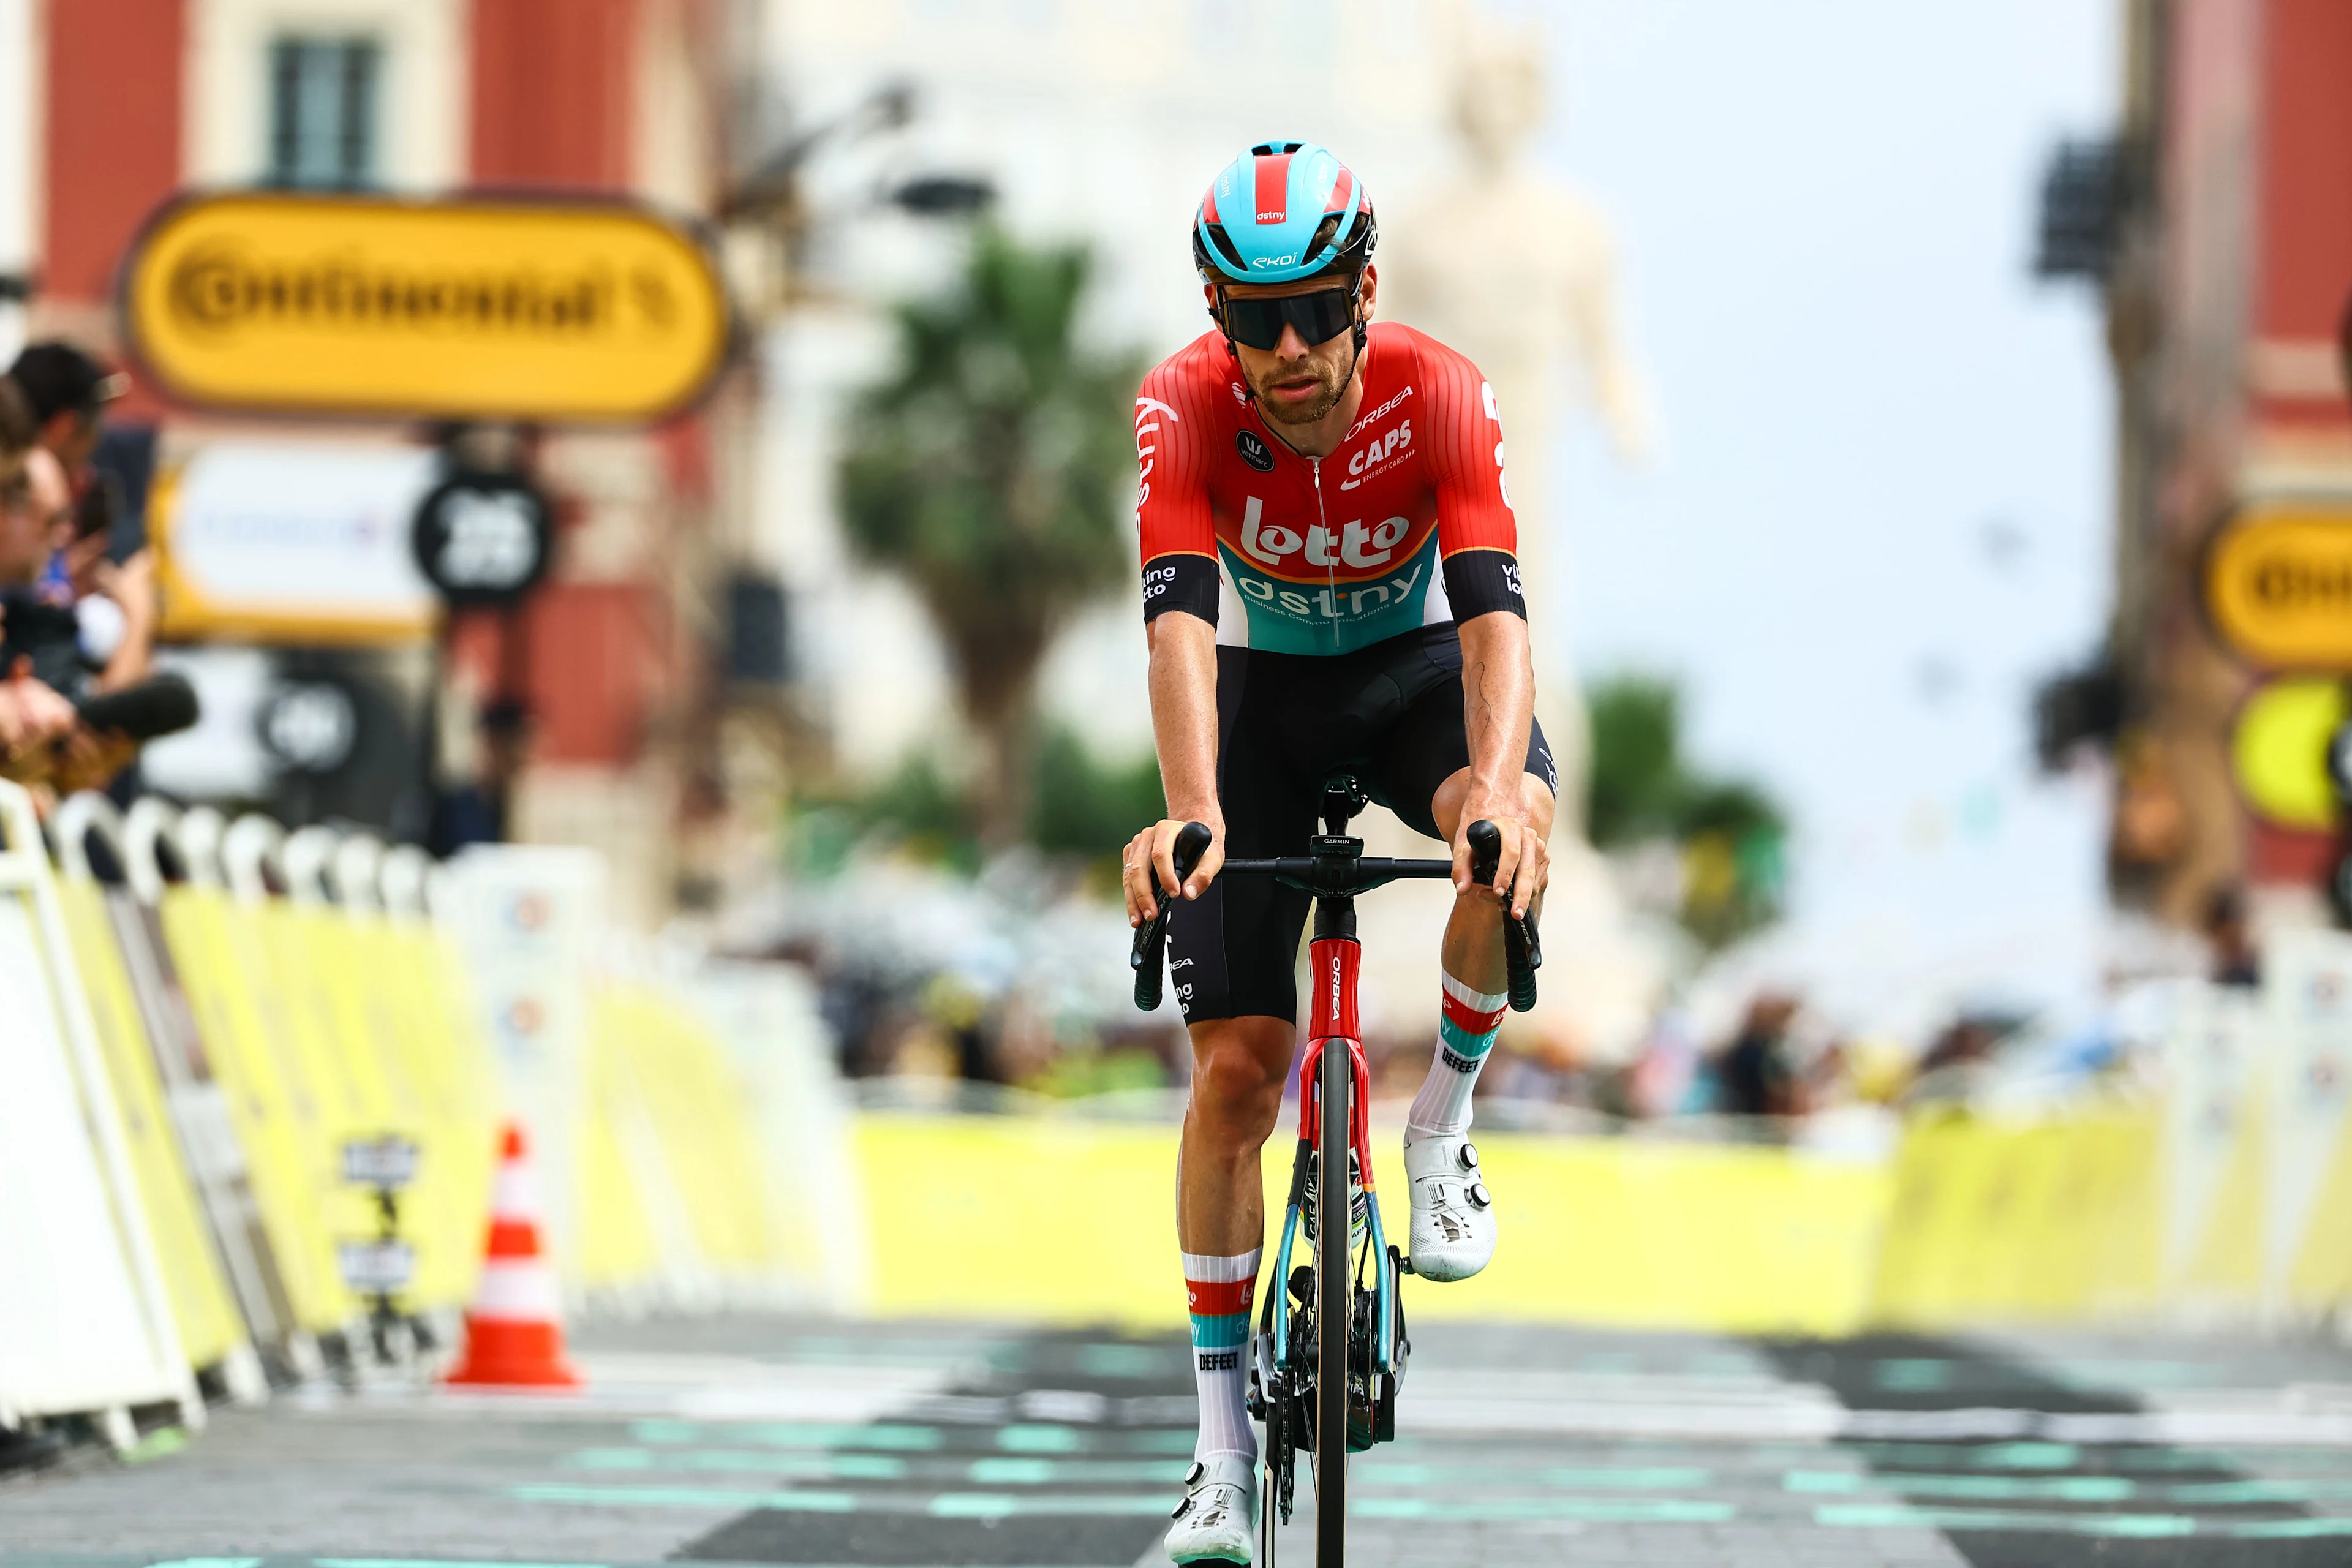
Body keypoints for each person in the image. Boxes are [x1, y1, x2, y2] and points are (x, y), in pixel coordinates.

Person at [1119, 141, 1554, 1564]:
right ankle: (1219, 1463)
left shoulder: (1441, 388)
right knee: (1235, 1072)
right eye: (1255, 321)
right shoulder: (1182, 404)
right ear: (1218, 317)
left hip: (1412, 675)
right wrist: (1192, 810)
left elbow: (1493, 610)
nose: (1289, 349)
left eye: (1314, 308)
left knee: (1507, 836)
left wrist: (1492, 786)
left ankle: (1442, 1126)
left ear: (1366, 289)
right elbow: (1179, 619)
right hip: (1265, 704)